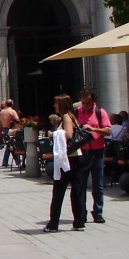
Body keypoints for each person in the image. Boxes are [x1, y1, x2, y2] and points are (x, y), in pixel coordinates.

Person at [47, 95, 88, 231]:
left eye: (56, 103)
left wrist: (53, 134)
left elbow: (69, 134)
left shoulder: (66, 116)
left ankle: (53, 224)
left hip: (69, 158)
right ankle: (79, 222)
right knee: (77, 189)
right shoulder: (72, 116)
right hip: (76, 157)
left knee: (58, 190)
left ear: (62, 104)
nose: (54, 106)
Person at [76, 87, 111, 224]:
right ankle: (81, 213)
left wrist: (94, 129)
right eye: (83, 103)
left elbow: (108, 131)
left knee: (98, 184)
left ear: (93, 101)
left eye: (88, 103)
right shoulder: (77, 112)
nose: (85, 106)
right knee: (81, 184)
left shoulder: (100, 112)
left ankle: (98, 212)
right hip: (83, 151)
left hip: (97, 151)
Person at [0, 99, 20, 168]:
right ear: (12, 104)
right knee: (12, 146)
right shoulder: (12, 111)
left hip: (4, 129)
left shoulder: (2, 112)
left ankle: (16, 161)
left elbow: (0, 122)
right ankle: (14, 161)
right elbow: (17, 120)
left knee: (9, 146)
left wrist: (0, 131)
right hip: (11, 130)